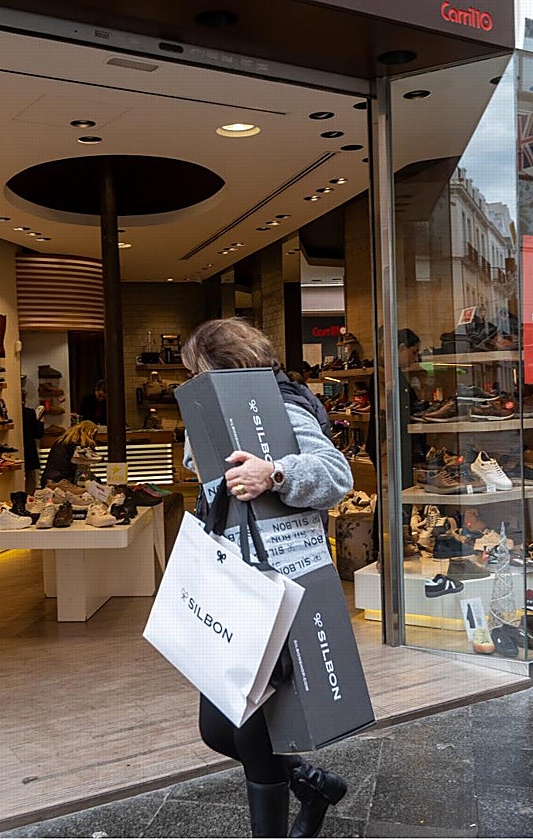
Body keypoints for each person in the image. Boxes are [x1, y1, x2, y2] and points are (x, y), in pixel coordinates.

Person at [179, 317, 353, 838]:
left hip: (271, 586)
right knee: (217, 729)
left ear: (220, 367)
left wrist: (274, 472)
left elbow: (335, 472)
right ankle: (312, 784)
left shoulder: (281, 405)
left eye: (198, 371)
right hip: (230, 580)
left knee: (247, 729)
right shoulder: (221, 406)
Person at [365, 328, 426, 485]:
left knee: (394, 492)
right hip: (388, 444)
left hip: (391, 442)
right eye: (414, 352)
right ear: (401, 348)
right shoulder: (384, 375)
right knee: (392, 492)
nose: (416, 357)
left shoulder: (392, 373)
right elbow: (387, 413)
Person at [40, 420, 98, 488]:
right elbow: (85, 459)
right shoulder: (76, 443)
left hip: (50, 477)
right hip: (62, 479)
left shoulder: (64, 440)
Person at [21, 390, 45, 490]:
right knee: (30, 480)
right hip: (29, 450)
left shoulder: (9, 413)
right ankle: (29, 499)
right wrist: (41, 422)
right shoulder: (30, 413)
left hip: (16, 449)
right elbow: (38, 434)